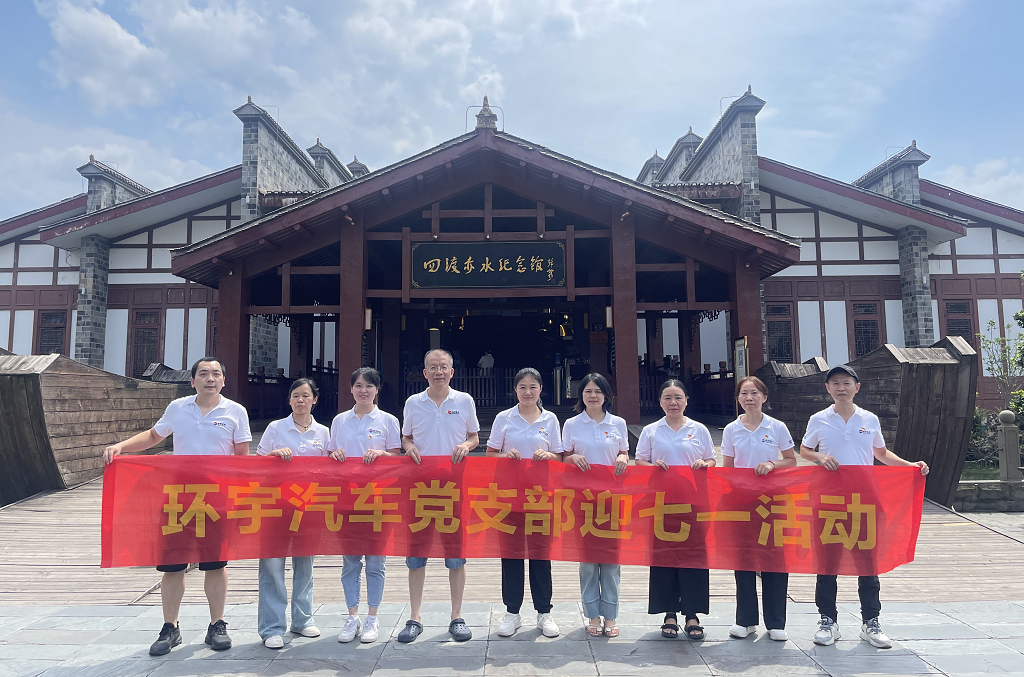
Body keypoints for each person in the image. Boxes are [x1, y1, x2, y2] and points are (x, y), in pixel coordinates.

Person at [103, 357, 251, 656]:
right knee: (173, 564)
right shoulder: (178, 408)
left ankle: (217, 624)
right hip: (178, 496)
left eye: (216, 374)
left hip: (216, 497)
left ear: (223, 380)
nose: (211, 378)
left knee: (216, 563)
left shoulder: (236, 411)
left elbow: (242, 458)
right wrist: (121, 446)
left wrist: (238, 497)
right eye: (204, 374)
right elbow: (155, 436)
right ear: (193, 380)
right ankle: (170, 627)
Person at [800, 364, 929, 649]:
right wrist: (820, 458)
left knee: (867, 562)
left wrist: (910, 466)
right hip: (828, 499)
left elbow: (880, 453)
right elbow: (804, 450)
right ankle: (827, 620)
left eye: (846, 382)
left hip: (864, 498)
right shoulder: (818, 419)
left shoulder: (868, 419)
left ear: (857, 387)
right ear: (828, 389)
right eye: (835, 383)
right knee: (827, 561)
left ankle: (870, 621)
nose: (841, 387)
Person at [397, 349, 481, 643]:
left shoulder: (464, 401)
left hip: (454, 488)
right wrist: (408, 447)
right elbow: (405, 437)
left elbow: (475, 436)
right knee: (416, 555)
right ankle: (415, 618)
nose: (438, 372)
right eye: (432, 367)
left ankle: (456, 616)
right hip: (419, 488)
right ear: (424, 373)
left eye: (443, 367)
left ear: (452, 371)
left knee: (456, 555)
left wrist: (467, 446)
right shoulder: (413, 403)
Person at [635, 379, 715, 641]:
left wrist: (706, 463)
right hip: (661, 503)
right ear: (660, 402)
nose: (673, 402)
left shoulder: (699, 429)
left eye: (678, 397)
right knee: (664, 557)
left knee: (693, 556)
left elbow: (712, 459)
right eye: (667, 398)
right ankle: (669, 612)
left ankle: (692, 614)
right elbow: (640, 461)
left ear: (686, 401)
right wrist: (652, 466)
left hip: (693, 502)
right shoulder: (651, 431)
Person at [486, 368, 563, 639]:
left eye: (533, 387)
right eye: (522, 387)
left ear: (541, 389)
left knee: (541, 556)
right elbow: (491, 453)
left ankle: (544, 613)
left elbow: (560, 457)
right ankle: (512, 613)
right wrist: (506, 455)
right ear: (515, 390)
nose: (527, 392)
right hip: (509, 497)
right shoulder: (503, 418)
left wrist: (549, 455)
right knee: (511, 555)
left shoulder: (551, 419)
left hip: (541, 497)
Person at [327, 367, 402, 644]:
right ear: (350, 389)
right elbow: (330, 453)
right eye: (358, 385)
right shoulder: (339, 421)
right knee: (349, 562)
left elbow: (396, 456)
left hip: (378, 499)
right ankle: (352, 616)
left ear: (377, 390)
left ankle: (372, 617)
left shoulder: (388, 420)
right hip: (346, 499)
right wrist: (334, 454)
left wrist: (381, 453)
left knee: (375, 562)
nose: (363, 391)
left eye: (369, 386)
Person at [721, 376, 797, 642]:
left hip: (773, 499)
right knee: (743, 559)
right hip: (742, 501)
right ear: (738, 399)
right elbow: (728, 467)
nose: (749, 398)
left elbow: (791, 460)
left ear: (764, 397)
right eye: (744, 394)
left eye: (754, 393)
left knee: (774, 558)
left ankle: (776, 622)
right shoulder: (732, 429)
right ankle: (745, 620)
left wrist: (772, 464)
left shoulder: (776, 427)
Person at [255, 378, 329, 649]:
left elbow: (329, 468)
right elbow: (258, 463)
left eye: (306, 396)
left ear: (314, 400)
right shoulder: (276, 428)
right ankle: (272, 627)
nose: (301, 400)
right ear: (289, 400)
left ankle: (302, 619)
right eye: (296, 396)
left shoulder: (323, 432)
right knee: (273, 565)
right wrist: (273, 454)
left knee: (305, 564)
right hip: (275, 503)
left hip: (308, 505)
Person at [561, 372, 629, 637]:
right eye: (588, 391)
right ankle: (592, 614)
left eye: (598, 391)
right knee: (588, 561)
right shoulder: (571, 424)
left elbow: (623, 451)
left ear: (606, 396)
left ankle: (610, 616)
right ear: (581, 395)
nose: (593, 396)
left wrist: (624, 457)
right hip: (582, 499)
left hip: (612, 498)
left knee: (611, 560)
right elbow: (563, 456)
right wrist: (572, 458)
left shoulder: (618, 423)